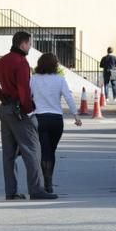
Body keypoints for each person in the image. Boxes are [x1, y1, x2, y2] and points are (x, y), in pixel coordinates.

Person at [0, 31, 57, 200]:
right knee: (32, 150)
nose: (30, 47)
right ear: (23, 44)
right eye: (30, 43)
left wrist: (3, 97)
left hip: (6, 109)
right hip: (20, 111)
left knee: (8, 154)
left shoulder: (2, 60)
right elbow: (24, 90)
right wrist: (29, 110)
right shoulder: (21, 62)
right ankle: (37, 190)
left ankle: (11, 192)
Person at [31, 53, 83, 194]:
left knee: (44, 151)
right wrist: (76, 115)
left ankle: (47, 182)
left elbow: (27, 97)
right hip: (56, 120)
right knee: (51, 151)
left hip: (39, 118)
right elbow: (68, 97)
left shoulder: (33, 79)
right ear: (55, 65)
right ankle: (49, 180)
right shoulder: (60, 80)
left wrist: (27, 113)